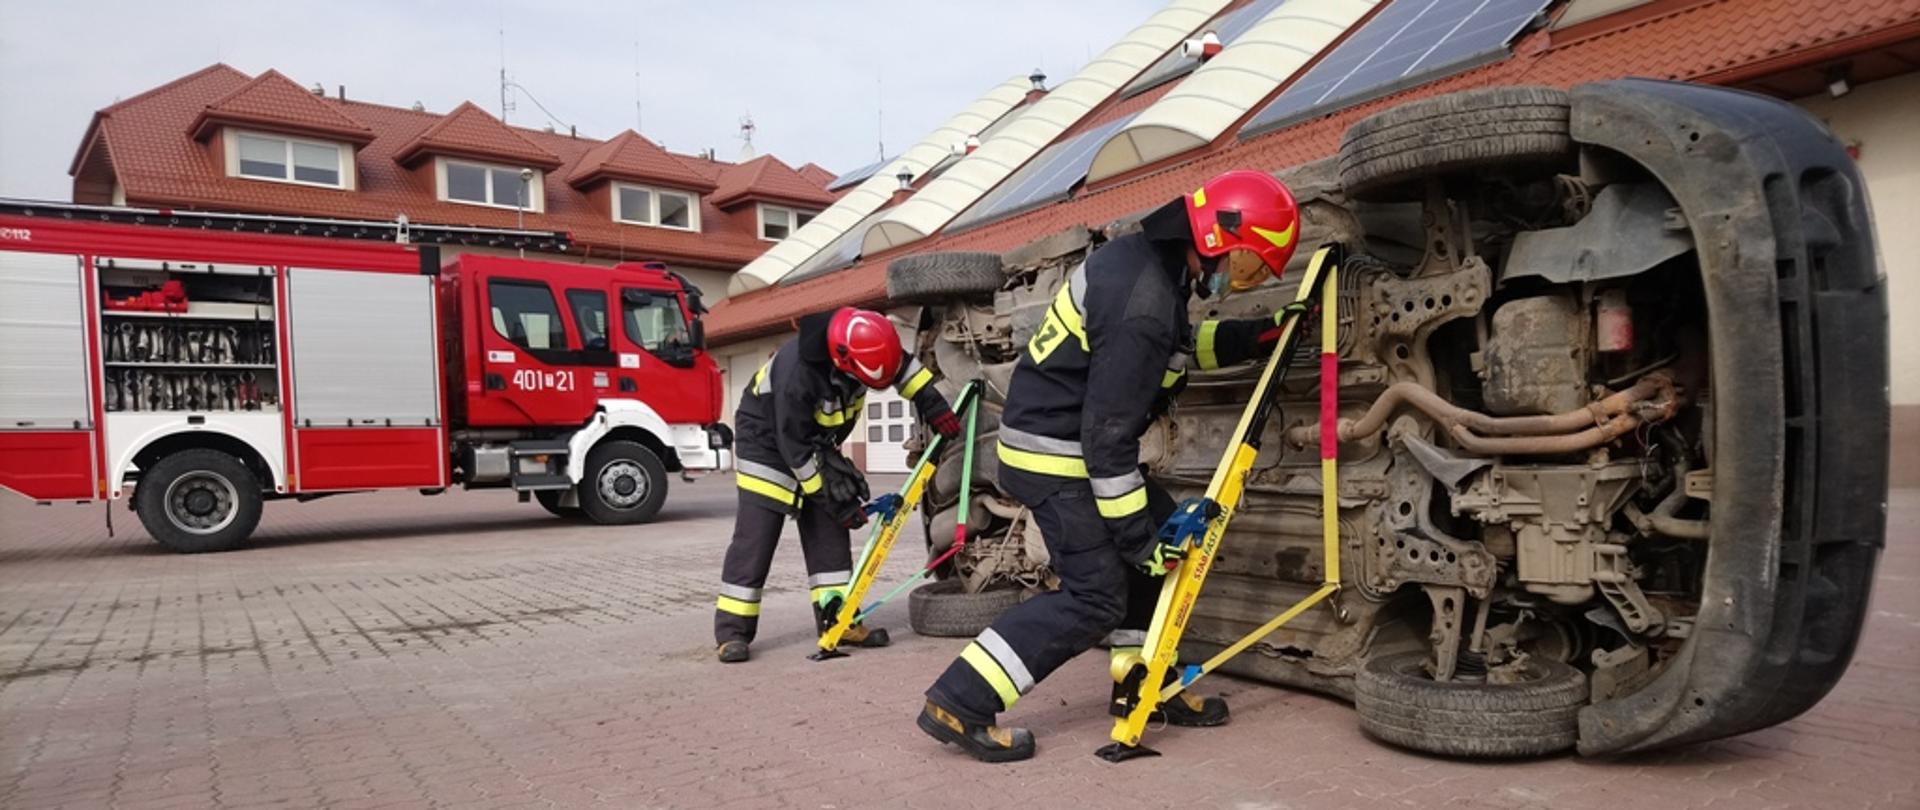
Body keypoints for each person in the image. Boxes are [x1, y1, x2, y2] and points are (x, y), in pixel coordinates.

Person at [916, 170, 1303, 762]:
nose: (1239, 280)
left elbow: (1171, 348)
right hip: (1059, 457)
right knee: (1095, 596)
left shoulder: (1154, 267)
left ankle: (1146, 686)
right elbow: (1109, 440)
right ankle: (960, 700)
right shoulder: (1144, 298)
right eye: (1249, 265)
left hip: (1070, 445)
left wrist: (1252, 337)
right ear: (1221, 236)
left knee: (1165, 549)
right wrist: (1136, 538)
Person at [716, 307, 961, 663]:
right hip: (768, 442)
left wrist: (930, 402)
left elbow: (901, 367)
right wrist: (827, 495)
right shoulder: (797, 374)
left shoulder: (867, 341)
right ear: (841, 359)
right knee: (757, 535)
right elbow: (795, 449)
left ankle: (839, 621)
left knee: (830, 533)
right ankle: (732, 633)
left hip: (813, 441)